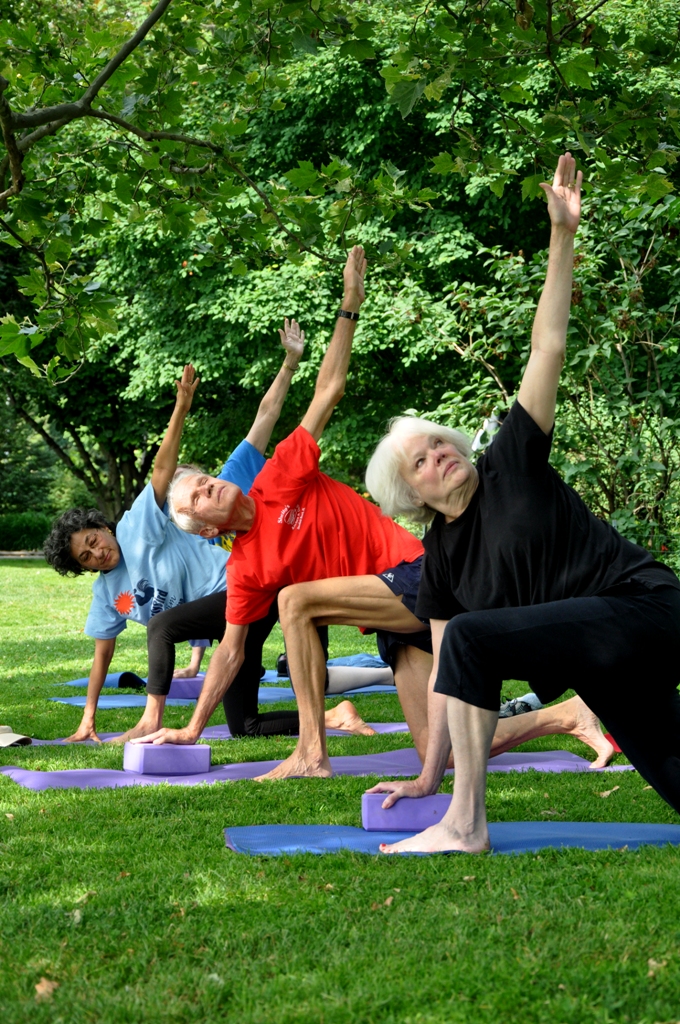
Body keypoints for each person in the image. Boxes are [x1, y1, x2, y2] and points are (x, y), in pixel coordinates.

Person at [134, 245, 613, 778]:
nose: (207, 487)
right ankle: (570, 715)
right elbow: (230, 651)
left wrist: (349, 304)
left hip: (420, 575)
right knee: (441, 749)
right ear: (204, 529)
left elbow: (328, 389)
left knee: (294, 600)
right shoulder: (245, 568)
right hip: (392, 618)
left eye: (204, 480)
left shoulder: (279, 476)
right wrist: (194, 727)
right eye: (196, 498)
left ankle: (312, 753)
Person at [362, 153, 680, 854]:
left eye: (442, 444)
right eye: (422, 459)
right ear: (410, 495)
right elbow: (452, 682)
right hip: (605, 664)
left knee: (477, 636)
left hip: (646, 608)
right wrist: (426, 773)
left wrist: (562, 237)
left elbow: (549, 345)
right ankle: (450, 807)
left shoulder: (511, 459)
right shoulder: (439, 559)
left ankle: (466, 825)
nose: (441, 454)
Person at [42, 330, 329, 743]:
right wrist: (88, 717)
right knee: (243, 727)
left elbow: (258, 420)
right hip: (227, 617)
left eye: (94, 541)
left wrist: (184, 406)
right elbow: (101, 653)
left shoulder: (210, 492)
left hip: (245, 591)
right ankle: (335, 715)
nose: (98, 552)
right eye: (86, 557)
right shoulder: (122, 578)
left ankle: (151, 718)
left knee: (161, 625)